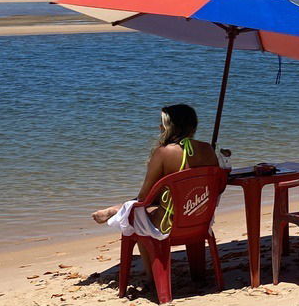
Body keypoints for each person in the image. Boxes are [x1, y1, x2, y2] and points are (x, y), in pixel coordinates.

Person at [91, 103, 230, 281]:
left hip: (169, 223)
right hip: (199, 218)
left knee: (136, 213)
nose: (159, 127)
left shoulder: (164, 152)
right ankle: (198, 275)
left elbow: (144, 197)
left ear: (171, 127)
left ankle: (153, 280)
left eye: (162, 124)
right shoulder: (208, 149)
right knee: (153, 203)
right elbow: (218, 186)